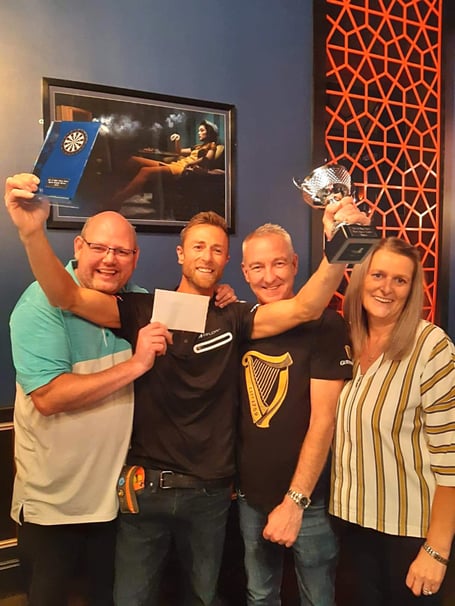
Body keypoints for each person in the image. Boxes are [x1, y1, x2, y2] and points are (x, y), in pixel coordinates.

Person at [5, 172, 369, 606]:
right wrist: (32, 232)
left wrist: (342, 243)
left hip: (210, 494)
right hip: (143, 490)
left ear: (226, 259)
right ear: (180, 254)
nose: (206, 256)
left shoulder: (235, 316)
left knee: (202, 598)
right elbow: (67, 296)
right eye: (198, 246)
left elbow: (307, 307)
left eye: (216, 249)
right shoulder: (146, 307)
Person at [8, 209, 173, 606]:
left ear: (135, 257)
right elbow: (49, 398)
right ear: (78, 247)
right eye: (99, 248)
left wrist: (220, 294)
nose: (110, 260)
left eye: (122, 251)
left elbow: (199, 315)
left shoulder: (138, 305)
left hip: (116, 506)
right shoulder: (39, 304)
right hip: (53, 508)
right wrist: (135, 365)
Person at [330, 237, 455, 605]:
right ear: (360, 278)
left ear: (411, 290)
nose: (386, 288)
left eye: (400, 280)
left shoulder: (431, 347)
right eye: (378, 275)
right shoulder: (347, 340)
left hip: (411, 535)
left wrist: (436, 549)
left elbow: (451, 459)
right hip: (353, 524)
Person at [237, 223, 352, 606]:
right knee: (259, 596)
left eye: (279, 263)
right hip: (250, 498)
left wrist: (295, 501)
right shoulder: (241, 323)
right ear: (244, 272)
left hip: (310, 501)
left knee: (317, 598)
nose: (269, 276)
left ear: (296, 264)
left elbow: (324, 420)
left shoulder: (326, 325)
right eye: (257, 267)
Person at [112, 119, 219, 208]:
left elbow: (207, 159)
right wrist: (177, 140)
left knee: (145, 171)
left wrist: (190, 164)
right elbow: (179, 152)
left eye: (202, 130)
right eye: (199, 130)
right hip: (176, 165)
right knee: (134, 160)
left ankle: (118, 199)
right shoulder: (197, 146)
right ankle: (120, 188)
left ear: (209, 132)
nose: (199, 133)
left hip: (181, 169)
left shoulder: (212, 145)